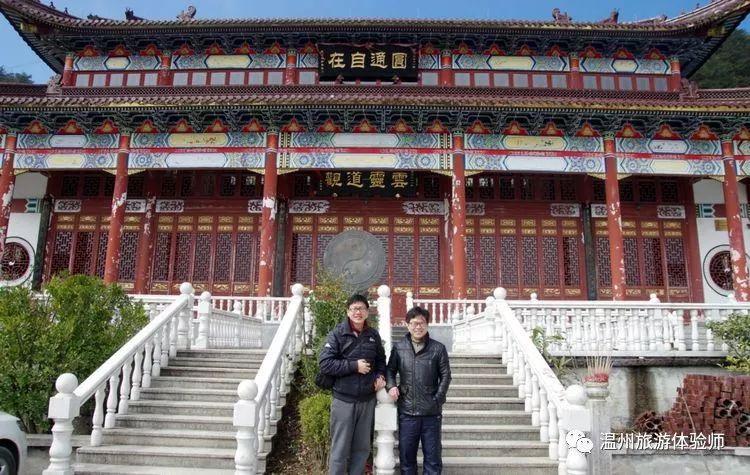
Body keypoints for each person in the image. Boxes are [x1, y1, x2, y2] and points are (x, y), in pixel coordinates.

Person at [319, 294, 387, 475]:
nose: (358, 312)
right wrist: (354, 366)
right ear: (348, 312)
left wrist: (380, 375)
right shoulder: (337, 334)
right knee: (340, 449)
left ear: (367, 312)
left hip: (367, 400)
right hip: (344, 400)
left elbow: (381, 360)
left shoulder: (373, 335)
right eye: (354, 309)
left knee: (362, 448)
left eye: (361, 308)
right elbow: (325, 363)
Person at [386, 306, 451, 475]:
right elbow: (390, 370)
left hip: (431, 413)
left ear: (427, 325)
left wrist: (438, 399)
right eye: (414, 323)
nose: (418, 327)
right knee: (407, 458)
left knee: (433, 459)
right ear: (407, 325)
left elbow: (446, 376)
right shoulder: (399, 348)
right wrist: (391, 385)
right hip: (407, 412)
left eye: (422, 323)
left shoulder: (438, 348)